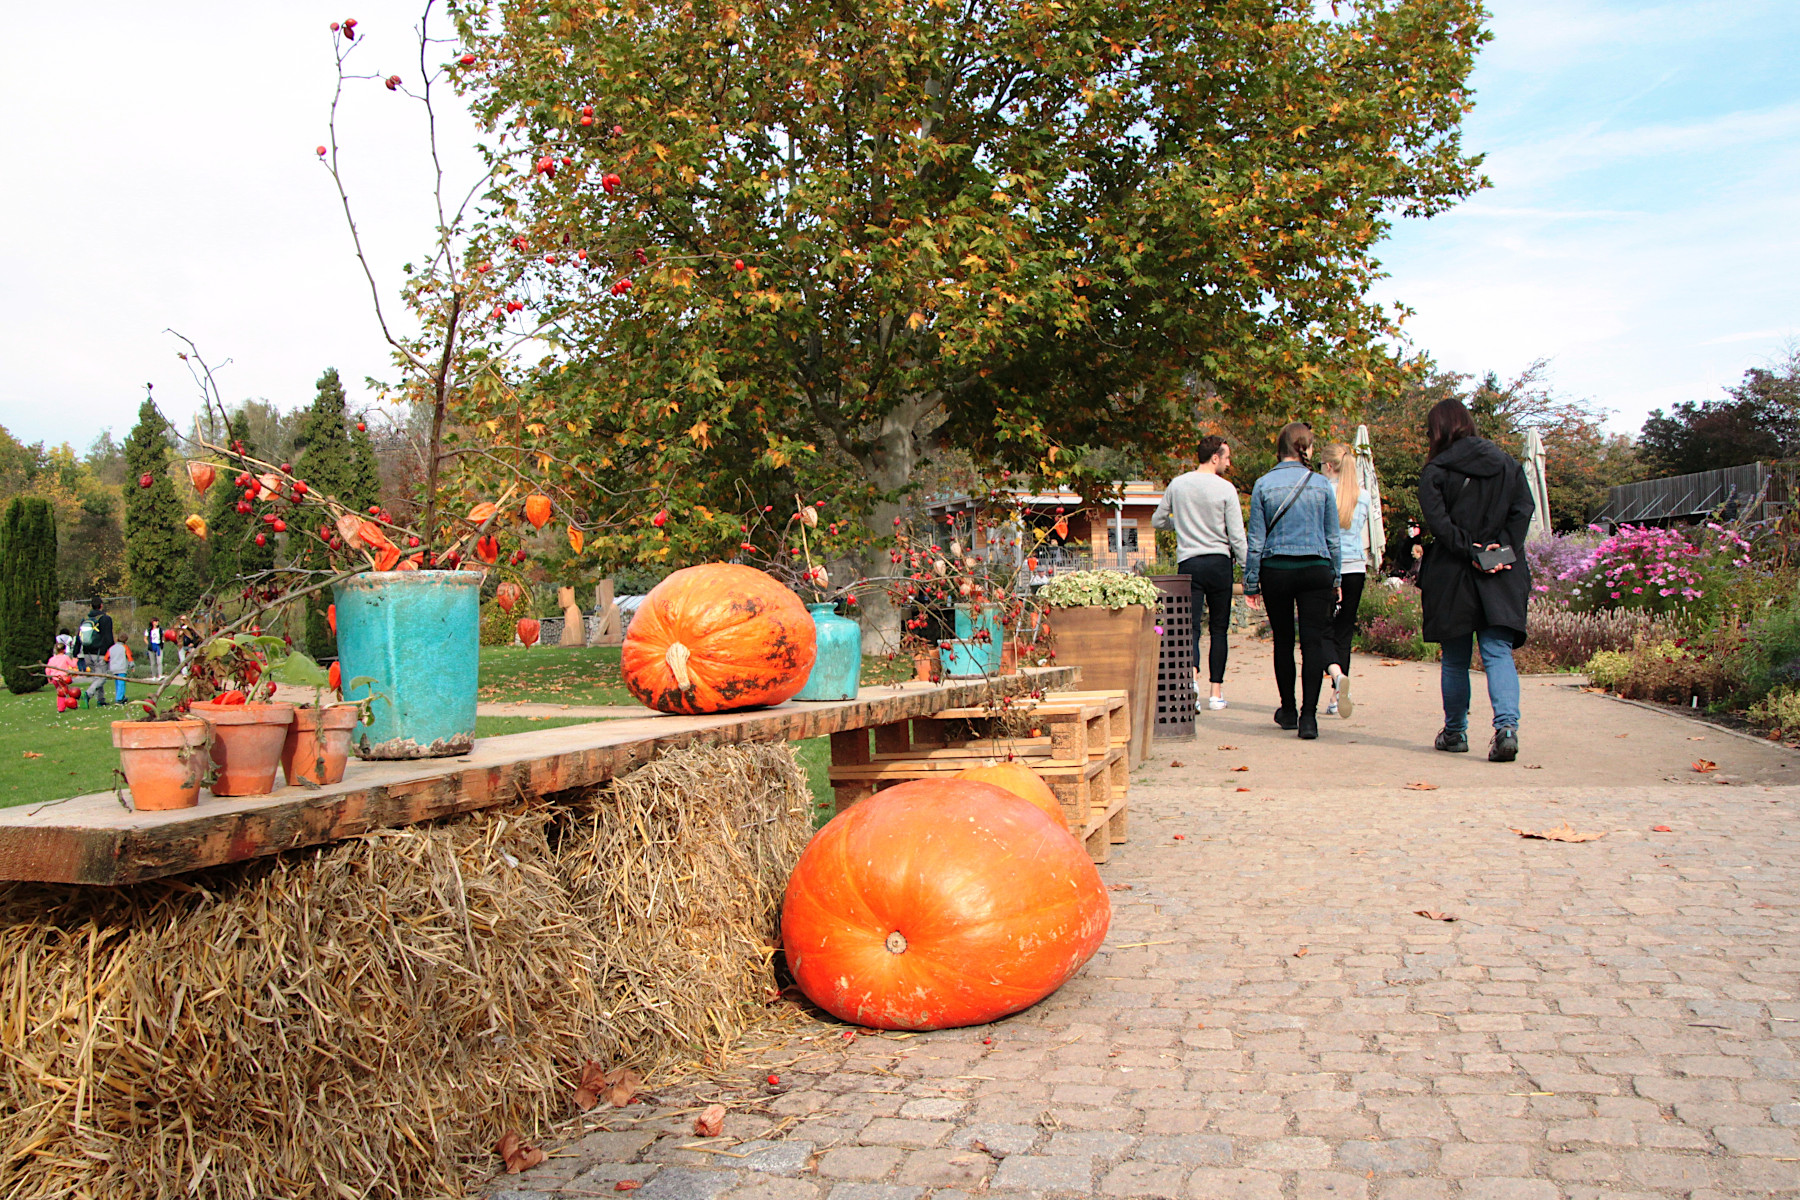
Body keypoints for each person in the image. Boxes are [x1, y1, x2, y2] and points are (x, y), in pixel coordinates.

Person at [1417, 397, 1534, 762]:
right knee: (1497, 653)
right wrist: (1499, 552)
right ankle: (1507, 728)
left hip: (1453, 572)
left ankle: (1455, 732)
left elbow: (1440, 525)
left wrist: (1473, 551)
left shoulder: (1435, 471)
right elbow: (1523, 510)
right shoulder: (1508, 465)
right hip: (1501, 573)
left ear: (1438, 431)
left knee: (1455, 658)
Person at [1244, 422, 1342, 740]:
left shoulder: (1262, 485)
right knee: (1312, 643)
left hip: (1277, 569)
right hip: (1316, 568)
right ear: (1306, 448)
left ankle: (1287, 709)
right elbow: (1333, 538)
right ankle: (1309, 718)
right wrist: (1336, 577)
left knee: (1283, 642)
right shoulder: (1321, 484)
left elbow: (1255, 540)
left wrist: (1251, 582)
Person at [1152, 435, 1246, 710]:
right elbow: (1237, 536)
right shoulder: (1226, 489)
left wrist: (1180, 525)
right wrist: (1249, 568)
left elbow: (1158, 520)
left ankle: (1191, 681)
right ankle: (1216, 693)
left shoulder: (1178, 484)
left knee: (1189, 628)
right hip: (1219, 563)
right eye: (1226, 457)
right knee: (1219, 629)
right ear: (1214, 457)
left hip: (1189, 563)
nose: (1228, 463)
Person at [1318, 443, 1372, 718]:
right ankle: (1336, 697)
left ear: (1329, 466)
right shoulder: (1362, 495)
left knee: (1320, 629)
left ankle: (1336, 675)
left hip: (1329, 567)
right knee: (1344, 632)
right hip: (1356, 568)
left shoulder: (1323, 491)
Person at [46, 644, 79, 713]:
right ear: (64, 650)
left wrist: (49, 678)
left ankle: (61, 707)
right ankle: (66, 706)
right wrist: (75, 660)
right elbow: (72, 665)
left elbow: (47, 669)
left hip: (55, 678)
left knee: (60, 693)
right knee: (66, 692)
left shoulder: (52, 659)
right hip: (63, 678)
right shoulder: (65, 657)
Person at [103, 635, 131, 706]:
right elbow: (129, 656)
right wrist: (132, 665)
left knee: (117, 683)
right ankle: (119, 699)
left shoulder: (111, 648)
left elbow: (106, 658)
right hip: (121, 668)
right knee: (121, 683)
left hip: (113, 668)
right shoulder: (125, 647)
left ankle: (121, 696)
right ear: (125, 641)